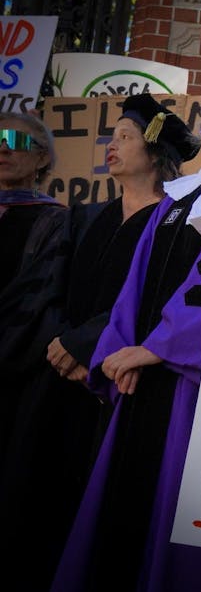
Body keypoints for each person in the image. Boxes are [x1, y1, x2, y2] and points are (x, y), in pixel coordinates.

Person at [53, 68, 201, 592]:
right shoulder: (180, 195)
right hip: (140, 380)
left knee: (174, 539)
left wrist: (159, 348)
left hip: (197, 385)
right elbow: (134, 286)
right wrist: (118, 352)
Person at [0, 95, 186, 591]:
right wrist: (62, 343)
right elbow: (53, 286)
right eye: (112, 136)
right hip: (58, 373)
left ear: (155, 149)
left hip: (110, 381)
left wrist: (88, 349)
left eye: (126, 137)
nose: (112, 145)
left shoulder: (173, 226)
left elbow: (148, 301)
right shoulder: (84, 216)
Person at [0, 112, 66, 456]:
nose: (3, 149)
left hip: (13, 368)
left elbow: (41, 298)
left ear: (42, 158)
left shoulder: (56, 221)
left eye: (15, 141)